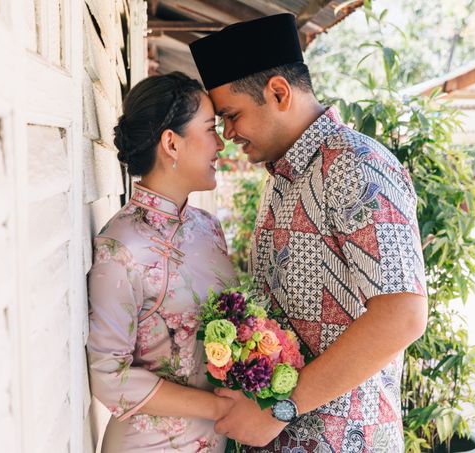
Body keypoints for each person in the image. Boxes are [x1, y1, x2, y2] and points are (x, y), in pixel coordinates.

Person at [189, 13, 428, 452]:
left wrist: (280, 408)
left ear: (278, 92)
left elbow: (402, 314)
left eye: (232, 115)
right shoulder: (282, 175)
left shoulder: (354, 164)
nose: (228, 134)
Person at [86, 72, 238, 452]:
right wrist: (217, 406)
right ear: (171, 142)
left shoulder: (208, 228)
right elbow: (108, 375)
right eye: (210, 129)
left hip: (215, 437)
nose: (220, 143)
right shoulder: (120, 247)